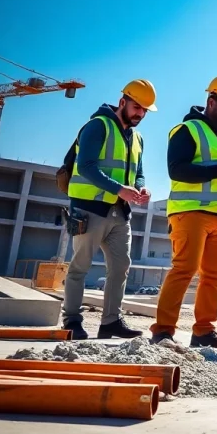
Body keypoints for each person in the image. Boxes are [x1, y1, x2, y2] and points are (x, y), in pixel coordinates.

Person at [151, 75, 217, 348]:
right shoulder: (188, 130)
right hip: (190, 213)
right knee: (184, 270)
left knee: (214, 277)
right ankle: (162, 331)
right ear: (211, 102)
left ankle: (204, 331)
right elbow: (177, 169)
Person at [62, 79, 156, 340]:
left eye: (145, 110)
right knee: (80, 266)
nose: (140, 114)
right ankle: (71, 320)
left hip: (120, 212)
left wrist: (141, 188)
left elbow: (138, 173)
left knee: (120, 267)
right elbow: (87, 166)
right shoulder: (97, 126)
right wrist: (119, 189)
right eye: (137, 107)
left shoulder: (137, 138)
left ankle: (111, 322)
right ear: (123, 101)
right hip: (89, 208)